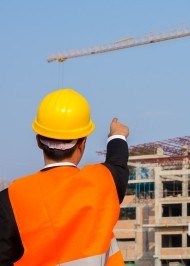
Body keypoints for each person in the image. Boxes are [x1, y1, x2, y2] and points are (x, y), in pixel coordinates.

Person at [0, 88, 129, 266]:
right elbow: (118, 161)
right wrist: (117, 135)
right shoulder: (103, 182)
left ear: (38, 141)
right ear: (82, 143)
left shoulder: (11, 197)